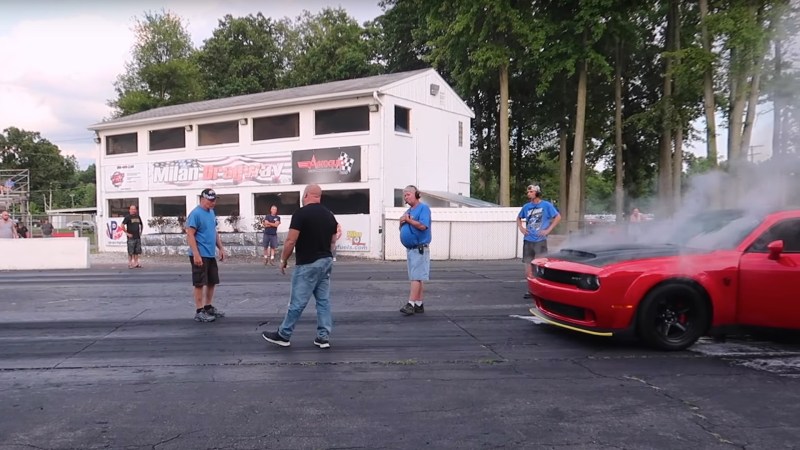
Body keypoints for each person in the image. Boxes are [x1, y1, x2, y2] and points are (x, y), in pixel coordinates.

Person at [262, 184, 338, 349]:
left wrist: (283, 260)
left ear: (306, 195)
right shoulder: (330, 216)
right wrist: (326, 257)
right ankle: (323, 337)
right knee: (323, 301)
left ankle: (284, 334)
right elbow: (333, 241)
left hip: (307, 263)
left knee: (297, 302)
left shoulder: (301, 213)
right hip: (326, 261)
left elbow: (291, 240)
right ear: (319, 196)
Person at [186, 188, 226, 323]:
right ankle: (199, 311)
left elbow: (214, 231)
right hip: (200, 254)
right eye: (210, 200)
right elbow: (190, 234)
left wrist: (220, 248)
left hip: (210, 254)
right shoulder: (196, 214)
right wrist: (196, 254)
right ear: (202, 199)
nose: (213, 203)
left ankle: (208, 307)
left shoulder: (211, 213)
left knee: (211, 281)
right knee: (199, 283)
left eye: (214, 200)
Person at [518, 184, 561, 299]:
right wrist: (522, 228)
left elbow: (557, 217)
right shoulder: (526, 207)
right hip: (528, 239)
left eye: (531, 192)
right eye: (528, 192)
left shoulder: (546, 205)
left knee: (541, 264)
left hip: (540, 239)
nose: (528, 194)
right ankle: (530, 289)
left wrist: (548, 230)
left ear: (537, 193)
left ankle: (542, 288)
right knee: (528, 263)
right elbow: (518, 217)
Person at [398, 185, 432, 316]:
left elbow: (423, 226)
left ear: (416, 194)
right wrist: (401, 222)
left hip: (419, 248)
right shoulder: (408, 211)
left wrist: (409, 221)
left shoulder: (423, 208)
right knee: (416, 277)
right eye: (405, 195)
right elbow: (402, 226)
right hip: (411, 248)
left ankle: (411, 304)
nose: (406, 197)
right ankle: (419, 303)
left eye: (408, 194)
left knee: (416, 277)